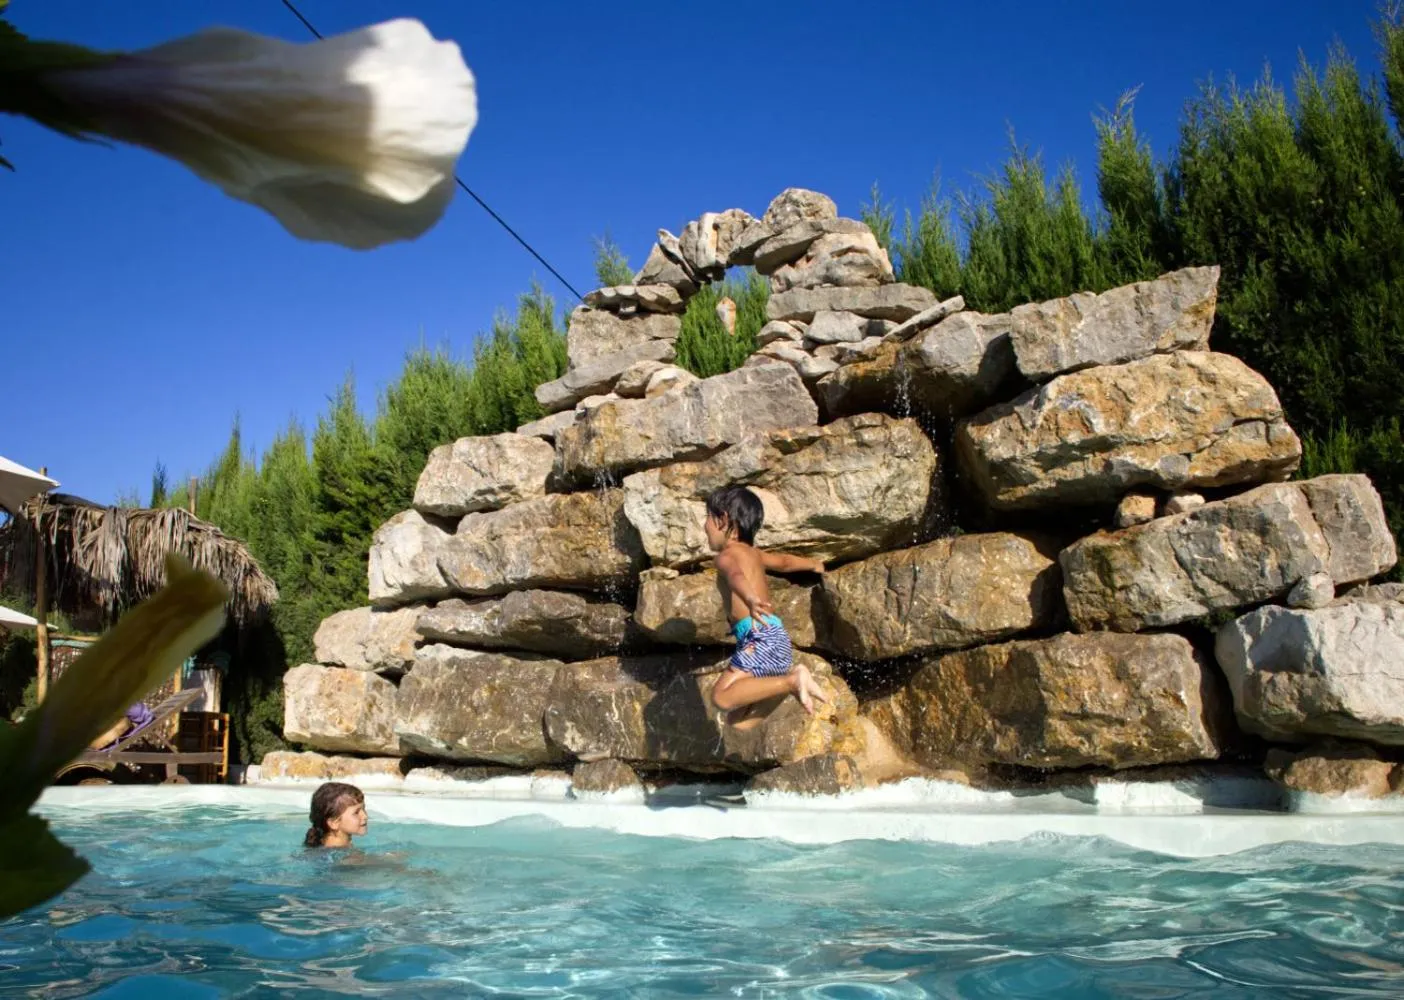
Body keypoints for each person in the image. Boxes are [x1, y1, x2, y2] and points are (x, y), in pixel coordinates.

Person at [704, 485, 829, 719]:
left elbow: (735, 576)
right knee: (739, 721)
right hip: (776, 638)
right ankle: (790, 682)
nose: (705, 527)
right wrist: (814, 564)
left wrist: (749, 597)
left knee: (720, 697)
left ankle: (792, 680)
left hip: (758, 638)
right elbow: (784, 562)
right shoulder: (755, 554)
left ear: (723, 520)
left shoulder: (726, 556)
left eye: (707, 519)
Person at [304, 782, 368, 848]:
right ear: (334, 823)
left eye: (363, 809)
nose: (365, 816)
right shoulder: (349, 857)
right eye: (356, 812)